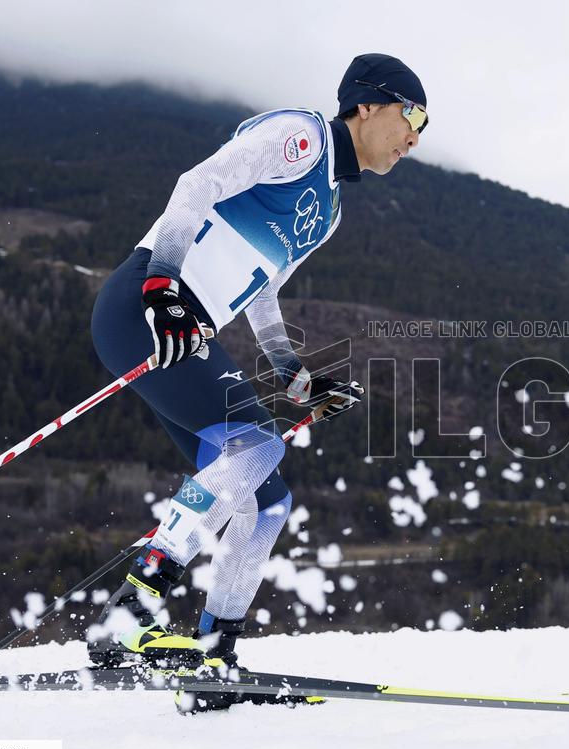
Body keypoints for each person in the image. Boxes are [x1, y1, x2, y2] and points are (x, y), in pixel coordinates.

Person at [87, 54, 428, 702]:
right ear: (367, 104)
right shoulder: (301, 138)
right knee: (255, 446)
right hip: (145, 307)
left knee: (267, 499)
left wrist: (294, 376)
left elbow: (263, 291)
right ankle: (127, 619)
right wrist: (162, 283)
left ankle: (215, 650)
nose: (415, 138)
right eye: (412, 117)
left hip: (188, 328)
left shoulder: (328, 210)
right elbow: (197, 184)